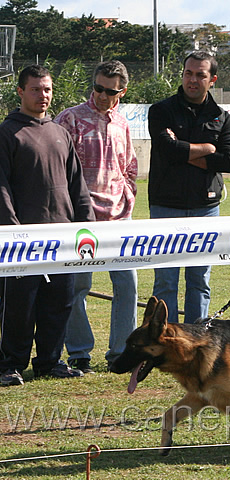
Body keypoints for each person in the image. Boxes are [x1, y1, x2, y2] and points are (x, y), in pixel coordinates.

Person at [0, 65, 95, 386]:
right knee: (19, 308)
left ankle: (49, 362)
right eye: (36, 89)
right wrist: (12, 230)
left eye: (48, 90)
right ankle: (10, 364)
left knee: (59, 303)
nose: (44, 96)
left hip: (63, 238)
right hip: (22, 241)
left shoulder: (60, 133)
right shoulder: (7, 133)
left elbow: (76, 185)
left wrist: (87, 226)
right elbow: (1, 187)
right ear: (21, 92)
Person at [55, 60, 138, 373]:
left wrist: (128, 197)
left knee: (127, 286)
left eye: (111, 91)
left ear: (122, 91)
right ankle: (79, 353)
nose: (103, 95)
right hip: (81, 220)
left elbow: (130, 164)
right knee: (77, 287)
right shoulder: (70, 119)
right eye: (99, 88)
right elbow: (58, 169)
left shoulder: (123, 123)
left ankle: (121, 354)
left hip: (119, 219)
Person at [147, 51, 230, 323]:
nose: (193, 79)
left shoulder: (221, 117)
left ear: (213, 80)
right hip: (165, 205)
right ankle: (165, 341)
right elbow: (167, 151)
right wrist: (207, 150)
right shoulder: (161, 110)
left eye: (200, 74)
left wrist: (185, 152)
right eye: (189, 73)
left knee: (199, 280)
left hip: (206, 208)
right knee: (165, 282)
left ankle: (197, 341)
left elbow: (229, 161)